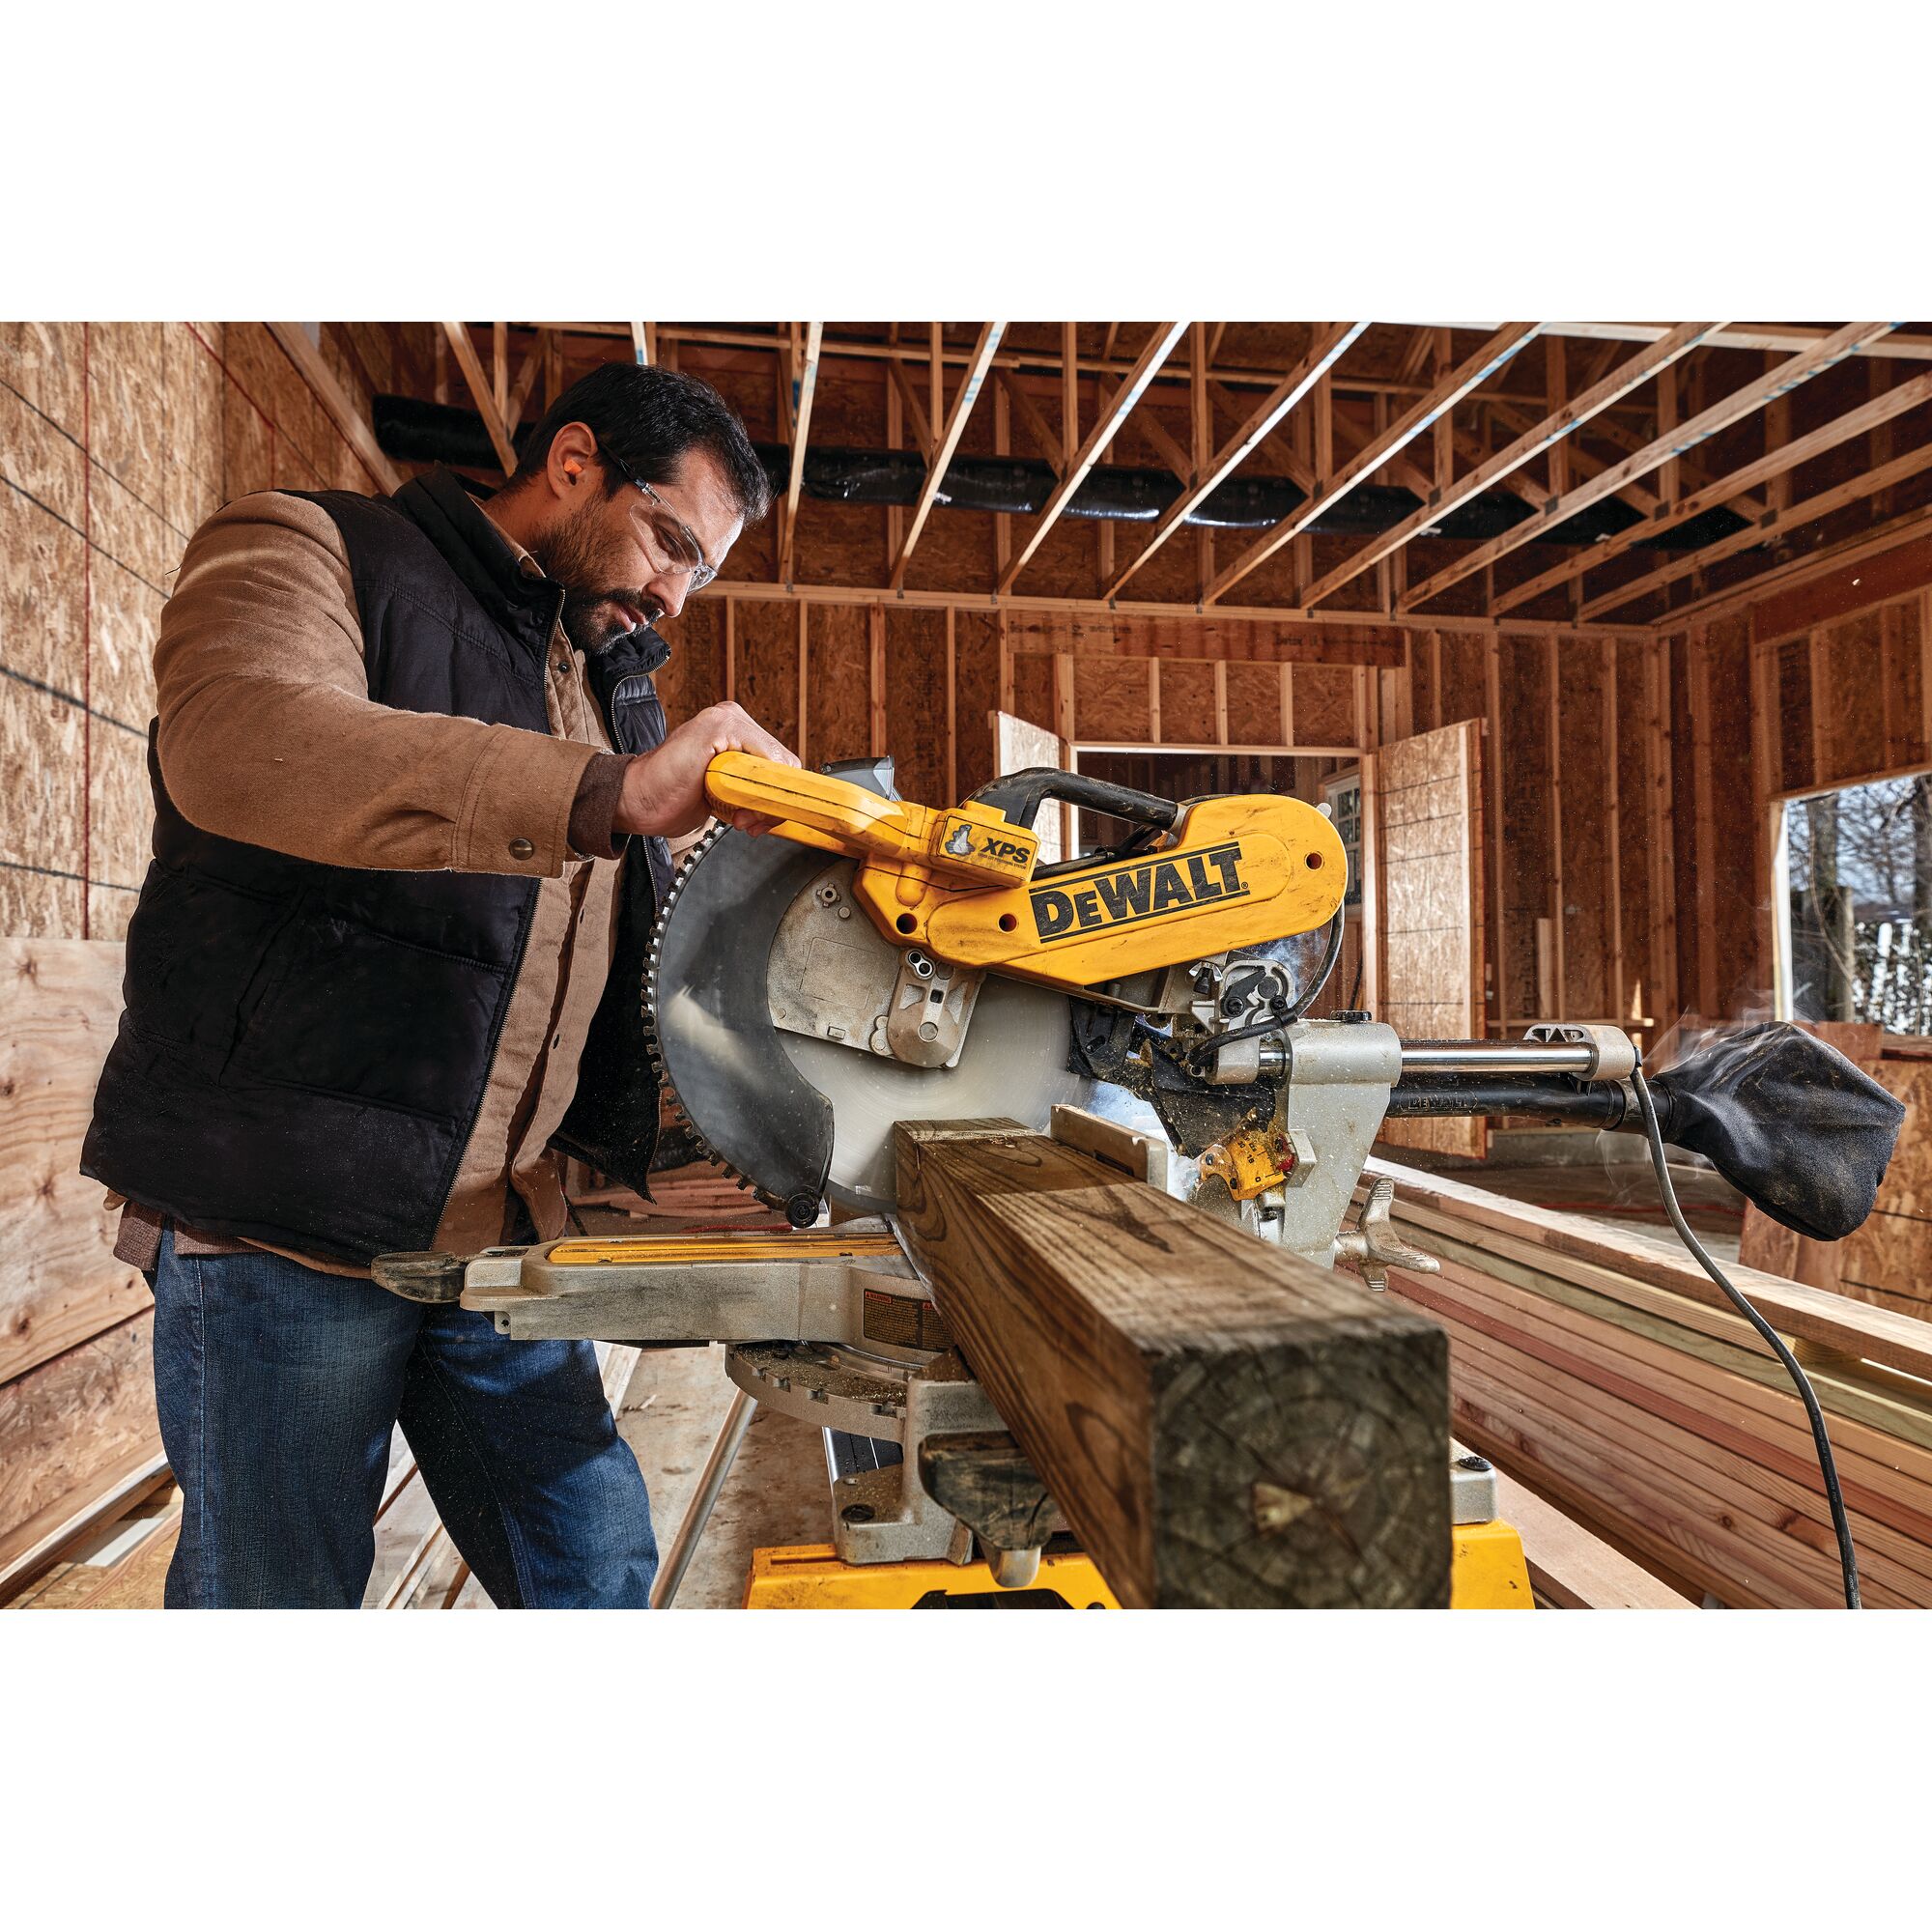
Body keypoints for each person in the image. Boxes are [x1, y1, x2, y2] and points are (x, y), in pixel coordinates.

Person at [81, 360, 796, 1607]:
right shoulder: (310, 546)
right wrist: (610, 792)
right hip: (283, 1227)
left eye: (700, 572)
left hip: (489, 1239)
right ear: (572, 463)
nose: (672, 595)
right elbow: (238, 739)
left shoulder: (603, 682)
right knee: (276, 1603)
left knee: (594, 1569)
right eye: (670, 542)